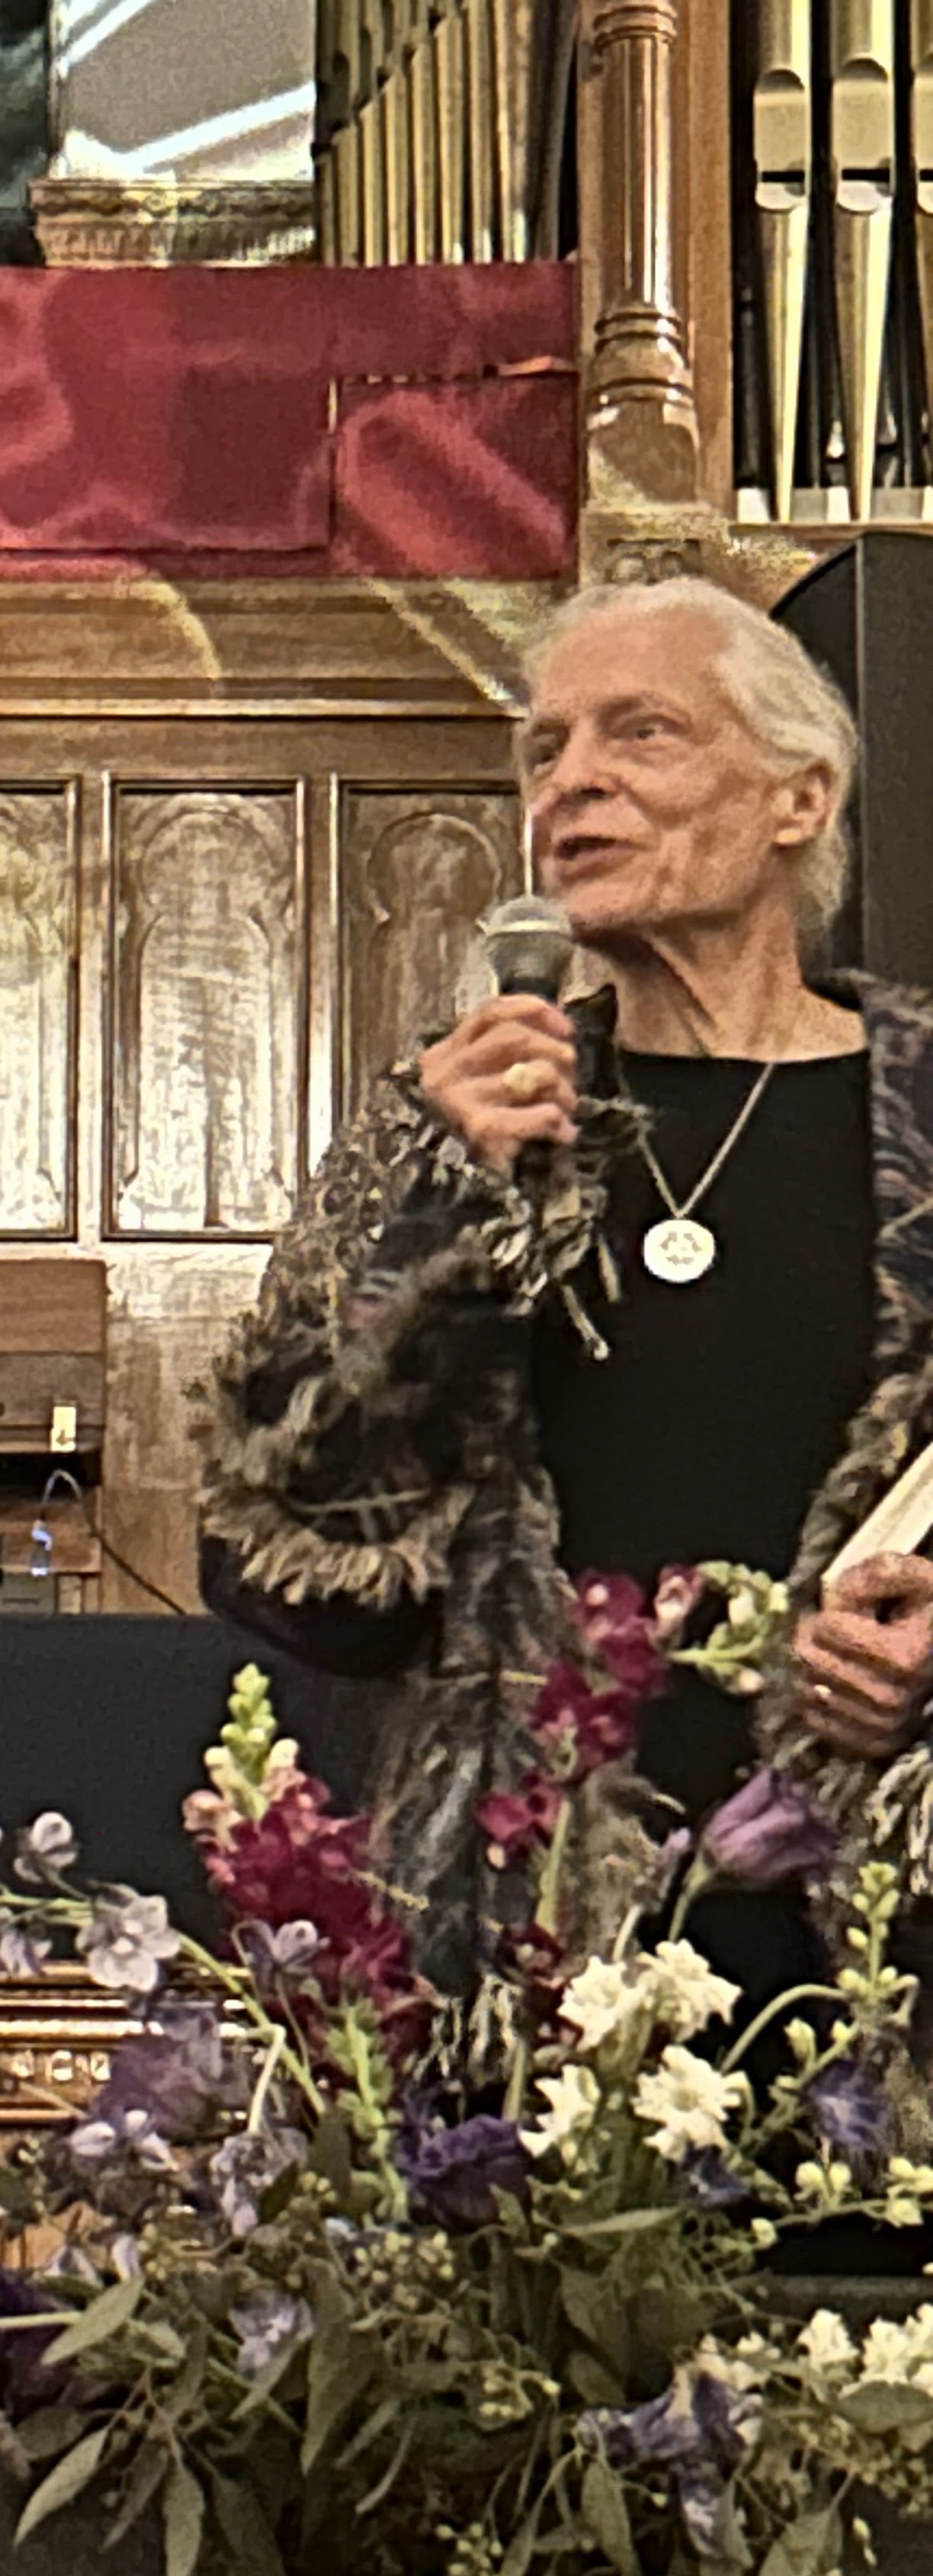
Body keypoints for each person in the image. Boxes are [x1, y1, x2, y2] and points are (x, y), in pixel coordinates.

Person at [197, 577, 933, 2078]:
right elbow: (280, 1562)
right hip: (518, 1963)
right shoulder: (451, 1119)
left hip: (882, 1953)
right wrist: (435, 1206)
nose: (571, 782)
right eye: (546, 749)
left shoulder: (923, 1101)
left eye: (639, 732)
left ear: (798, 799)